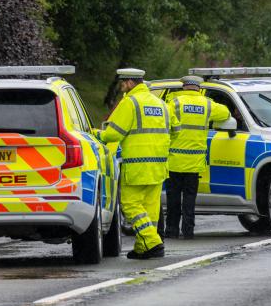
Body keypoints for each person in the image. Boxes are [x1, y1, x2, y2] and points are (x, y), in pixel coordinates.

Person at [96, 68, 178, 259]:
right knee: (150, 208)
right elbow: (176, 130)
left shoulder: (130, 103)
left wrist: (96, 134)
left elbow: (114, 134)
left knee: (130, 204)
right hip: (158, 166)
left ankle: (153, 242)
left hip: (137, 165)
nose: (121, 87)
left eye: (123, 83)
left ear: (131, 83)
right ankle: (143, 248)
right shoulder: (161, 104)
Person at [165, 75, 230, 239]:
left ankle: (171, 231)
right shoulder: (207, 104)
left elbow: (164, 119)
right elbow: (225, 113)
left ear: (184, 87)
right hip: (194, 162)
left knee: (173, 199)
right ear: (198, 88)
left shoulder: (175, 103)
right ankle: (188, 231)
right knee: (189, 199)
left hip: (174, 161)